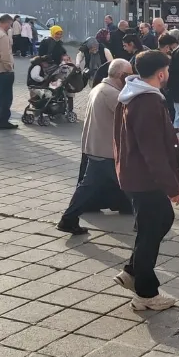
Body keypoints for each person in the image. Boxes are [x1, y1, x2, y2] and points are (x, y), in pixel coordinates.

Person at [111, 50, 179, 310]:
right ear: (161, 73)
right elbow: (151, 151)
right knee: (152, 230)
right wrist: (172, 186)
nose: (168, 75)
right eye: (168, 70)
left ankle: (132, 272)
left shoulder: (135, 95)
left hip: (135, 175)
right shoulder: (147, 102)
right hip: (145, 179)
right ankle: (145, 293)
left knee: (156, 225)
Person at [58, 59, 135, 235]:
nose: (131, 78)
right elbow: (129, 119)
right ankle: (146, 219)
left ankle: (68, 219)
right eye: (129, 74)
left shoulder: (100, 88)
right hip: (107, 150)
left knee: (87, 187)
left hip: (96, 147)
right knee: (132, 186)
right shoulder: (112, 94)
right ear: (121, 75)